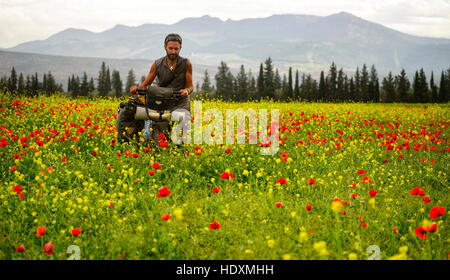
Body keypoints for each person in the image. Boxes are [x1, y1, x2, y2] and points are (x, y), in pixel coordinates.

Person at [117, 33, 193, 145]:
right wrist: (136, 89)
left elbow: (190, 86)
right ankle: (128, 141)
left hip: (179, 101)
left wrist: (186, 91)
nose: (173, 51)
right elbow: (145, 85)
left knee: (183, 124)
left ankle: (181, 146)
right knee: (128, 108)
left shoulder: (187, 64)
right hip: (163, 99)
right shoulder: (157, 64)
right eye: (170, 48)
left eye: (176, 49)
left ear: (180, 48)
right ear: (165, 47)